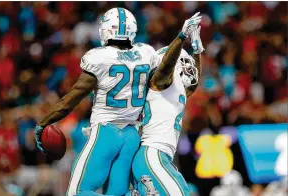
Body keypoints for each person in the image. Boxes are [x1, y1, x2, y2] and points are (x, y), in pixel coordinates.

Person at [34, 7, 202, 196]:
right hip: (131, 137)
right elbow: (174, 72)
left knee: (77, 192)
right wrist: (194, 48)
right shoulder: (145, 54)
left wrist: (43, 123)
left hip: (106, 132)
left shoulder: (99, 57)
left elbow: (70, 100)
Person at [132, 25, 204, 196]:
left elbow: (193, 84)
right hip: (153, 155)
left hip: (159, 157)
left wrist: (197, 51)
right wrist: (181, 37)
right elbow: (166, 66)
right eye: (183, 62)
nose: (188, 67)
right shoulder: (160, 83)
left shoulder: (174, 90)